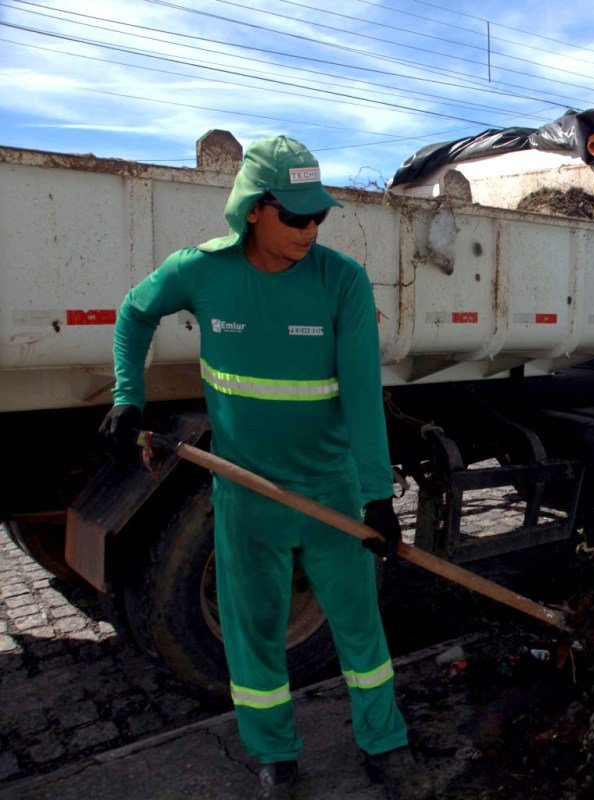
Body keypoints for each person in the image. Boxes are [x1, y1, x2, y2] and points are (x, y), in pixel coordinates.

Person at [99, 136, 433, 800]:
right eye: (296, 216)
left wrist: (375, 496)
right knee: (253, 637)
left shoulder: (340, 282)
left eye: (320, 217)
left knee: (358, 627)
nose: (312, 230)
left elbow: (365, 396)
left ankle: (383, 742)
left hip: (330, 492)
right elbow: (133, 315)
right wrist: (126, 398)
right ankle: (275, 755)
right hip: (246, 493)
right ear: (254, 209)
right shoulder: (203, 271)